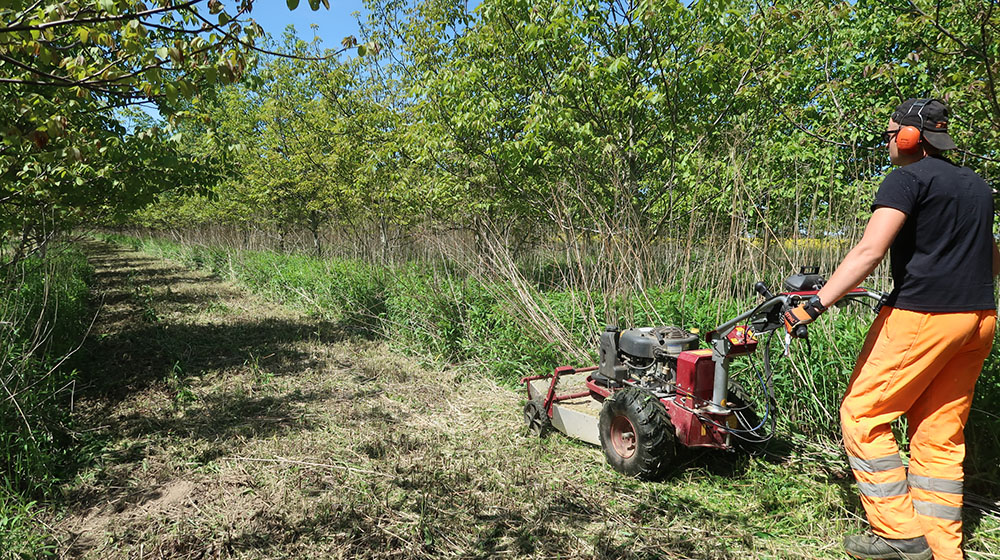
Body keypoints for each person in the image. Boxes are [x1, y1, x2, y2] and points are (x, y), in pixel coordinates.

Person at [783, 98, 999, 560]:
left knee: (863, 415)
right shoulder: (977, 185)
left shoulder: (907, 177)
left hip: (923, 317)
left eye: (889, 133)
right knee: (939, 433)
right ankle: (944, 550)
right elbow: (991, 256)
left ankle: (899, 533)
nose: (886, 142)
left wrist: (815, 304)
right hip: (979, 319)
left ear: (909, 138)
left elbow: (868, 252)